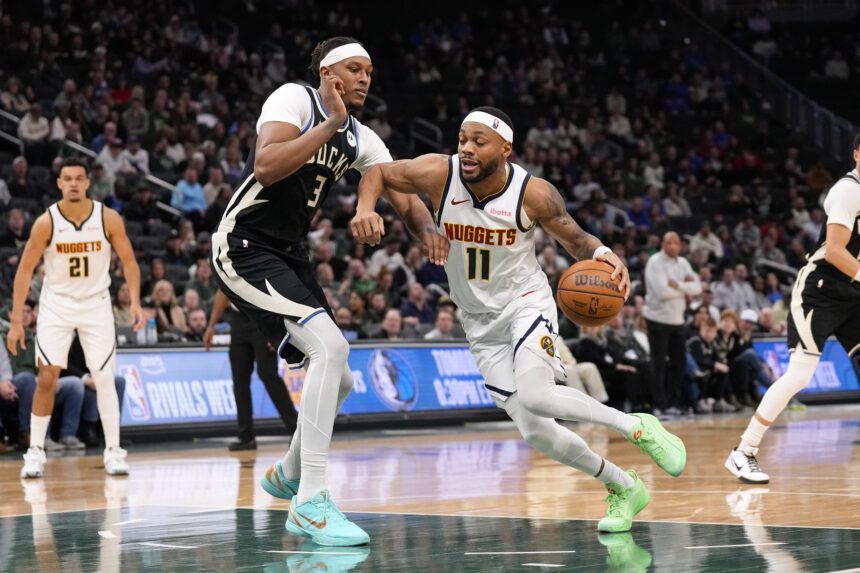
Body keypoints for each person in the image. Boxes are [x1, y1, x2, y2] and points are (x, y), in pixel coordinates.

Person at [351, 106, 686, 533]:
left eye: (479, 141)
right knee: (537, 432)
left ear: (506, 149)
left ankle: (638, 426)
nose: (467, 149)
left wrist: (604, 255)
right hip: (477, 319)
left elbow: (576, 239)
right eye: (462, 139)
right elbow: (376, 174)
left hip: (525, 303)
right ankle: (623, 486)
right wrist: (366, 207)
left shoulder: (534, 193)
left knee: (537, 394)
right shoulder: (439, 173)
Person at [211, 37, 444, 546]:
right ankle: (310, 503)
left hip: (287, 252)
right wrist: (330, 124)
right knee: (331, 348)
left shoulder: (362, 137)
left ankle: (291, 471)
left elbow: (401, 193)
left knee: (338, 376)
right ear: (327, 72)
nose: (365, 78)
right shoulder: (294, 98)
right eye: (355, 69)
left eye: (370, 71)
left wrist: (429, 231)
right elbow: (266, 167)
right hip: (243, 244)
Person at [727, 134, 860, 484]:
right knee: (800, 375)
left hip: (853, 294)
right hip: (820, 291)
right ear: (857, 154)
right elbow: (834, 251)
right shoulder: (849, 190)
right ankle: (744, 452)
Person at [5, 158, 144, 478]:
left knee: (105, 377)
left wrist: (135, 301)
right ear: (58, 183)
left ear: (87, 182)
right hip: (57, 305)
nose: (72, 184)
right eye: (66, 179)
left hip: (96, 304)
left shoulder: (108, 218)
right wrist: (15, 321)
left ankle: (113, 450)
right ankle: (35, 450)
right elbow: (24, 271)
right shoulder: (46, 222)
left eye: (78, 178)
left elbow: (130, 261)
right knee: (47, 378)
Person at [205, 290, 299, 451]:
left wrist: (278, 328)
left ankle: (297, 431)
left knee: (267, 374)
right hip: (238, 319)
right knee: (239, 378)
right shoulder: (226, 264)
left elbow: (277, 290)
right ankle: (246, 436)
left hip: (263, 317)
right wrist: (211, 325)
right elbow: (222, 291)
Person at [643, 232, 702, 415]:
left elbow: (698, 287)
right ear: (662, 244)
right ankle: (658, 405)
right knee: (658, 363)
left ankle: (672, 403)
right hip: (657, 319)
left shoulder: (683, 263)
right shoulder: (655, 262)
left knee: (680, 363)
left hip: (678, 320)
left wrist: (677, 286)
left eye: (676, 242)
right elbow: (662, 292)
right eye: (669, 242)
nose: (673, 246)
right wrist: (685, 289)